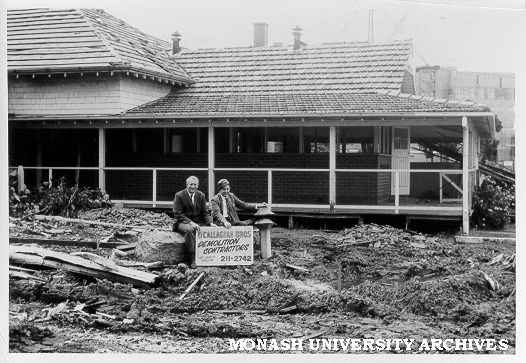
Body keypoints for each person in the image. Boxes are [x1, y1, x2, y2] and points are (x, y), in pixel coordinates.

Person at [173, 176, 216, 269]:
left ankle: (210, 258)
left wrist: (210, 222)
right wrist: (191, 223)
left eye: (195, 184)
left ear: (198, 185)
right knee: (190, 230)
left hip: (198, 221)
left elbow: (205, 212)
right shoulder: (179, 195)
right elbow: (178, 213)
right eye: (191, 184)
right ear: (186, 185)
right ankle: (192, 259)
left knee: (212, 229)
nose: (193, 187)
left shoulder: (201, 195)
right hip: (182, 222)